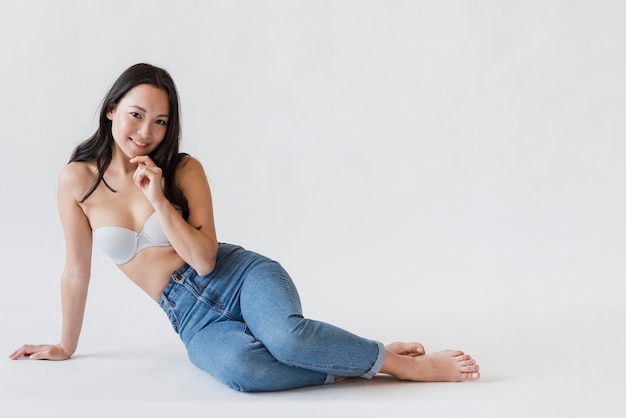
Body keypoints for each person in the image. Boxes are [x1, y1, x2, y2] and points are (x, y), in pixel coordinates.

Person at [9, 63, 480, 392]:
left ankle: (398, 364)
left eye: (160, 121)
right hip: (189, 316)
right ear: (111, 108)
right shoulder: (76, 180)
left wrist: (157, 198)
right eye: (136, 114)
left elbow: (204, 259)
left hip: (238, 276)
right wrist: (65, 345)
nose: (146, 132)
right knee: (241, 370)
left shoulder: (185, 170)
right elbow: (76, 270)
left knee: (288, 338)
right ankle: (346, 365)